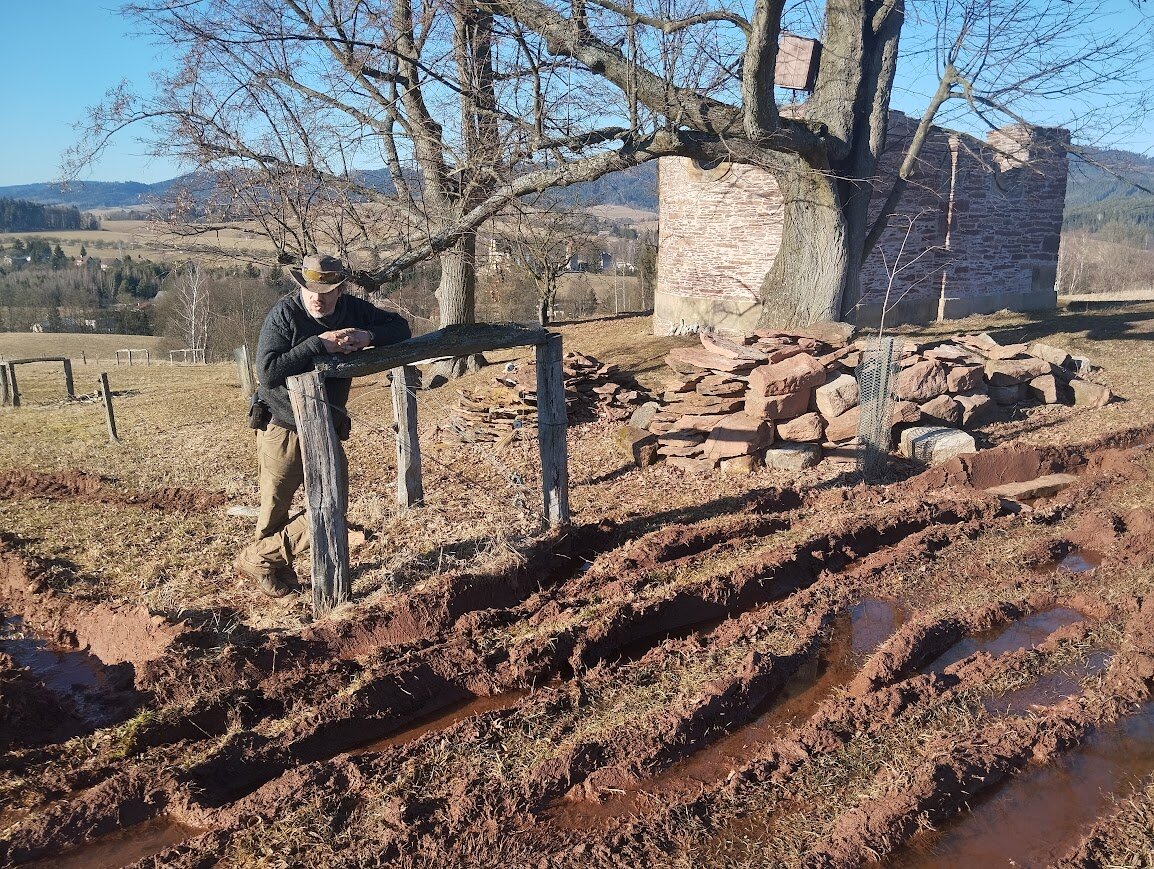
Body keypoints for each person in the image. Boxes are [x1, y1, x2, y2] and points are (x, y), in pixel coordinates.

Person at [234, 254, 411, 598]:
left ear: (341, 289)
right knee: (275, 508)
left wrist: (367, 335)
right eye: (309, 289)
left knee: (333, 502)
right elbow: (268, 372)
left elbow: (402, 328)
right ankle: (272, 568)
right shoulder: (285, 315)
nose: (317, 297)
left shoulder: (354, 310)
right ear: (299, 285)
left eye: (327, 291)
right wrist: (318, 344)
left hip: (326, 424)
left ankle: (259, 558)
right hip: (282, 425)